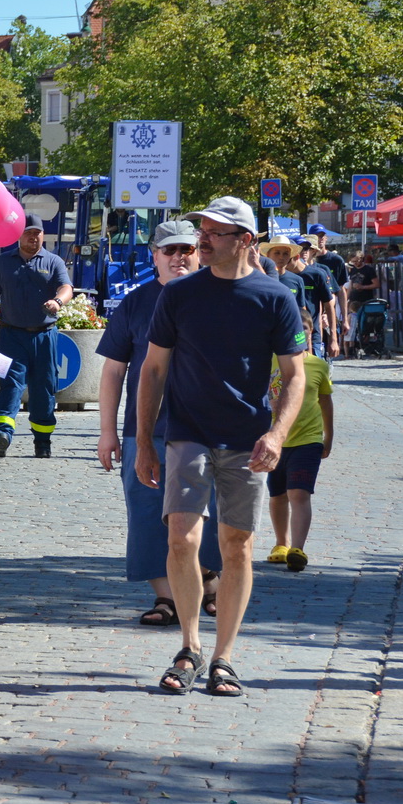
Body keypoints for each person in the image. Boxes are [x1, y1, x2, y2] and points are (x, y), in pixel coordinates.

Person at [135, 195, 307, 698]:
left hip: (247, 439)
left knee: (237, 547)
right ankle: (189, 646)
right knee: (181, 540)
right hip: (188, 432)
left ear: (245, 240)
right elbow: (153, 369)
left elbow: (294, 376)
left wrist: (277, 435)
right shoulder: (180, 295)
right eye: (202, 230)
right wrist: (146, 441)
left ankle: (224, 657)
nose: (202, 240)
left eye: (214, 232)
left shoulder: (274, 297)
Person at [96, 220, 223, 627]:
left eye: (186, 249)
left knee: (211, 512)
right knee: (148, 512)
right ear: (154, 256)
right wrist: (107, 432)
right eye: (168, 250)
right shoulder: (135, 303)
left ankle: (211, 580)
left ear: (199, 252)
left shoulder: (219, 297)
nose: (178, 257)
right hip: (146, 430)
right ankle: (165, 597)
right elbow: (114, 371)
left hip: (207, 428)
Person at [0, 215, 73, 458]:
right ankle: (2, 434)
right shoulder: (4, 262)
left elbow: (66, 288)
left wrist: (58, 301)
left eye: (37, 232)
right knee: (11, 385)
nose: (33, 236)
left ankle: (42, 441)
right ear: (19, 234)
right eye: (28, 232)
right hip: (12, 335)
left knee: (43, 389)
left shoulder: (53, 261)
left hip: (44, 336)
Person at [265, 346, 334, 572]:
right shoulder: (267, 360)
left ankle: (297, 549)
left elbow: (325, 402)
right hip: (275, 440)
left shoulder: (318, 365)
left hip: (308, 439)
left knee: (299, 492)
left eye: (304, 329)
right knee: (277, 495)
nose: (298, 335)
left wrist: (329, 436)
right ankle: (281, 544)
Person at [296, 239, 340, 358]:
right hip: (288, 336)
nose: (304, 252)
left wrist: (333, 338)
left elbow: (330, 302)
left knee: (313, 372)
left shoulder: (317, 273)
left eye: (306, 248)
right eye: (300, 248)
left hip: (313, 335)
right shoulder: (281, 276)